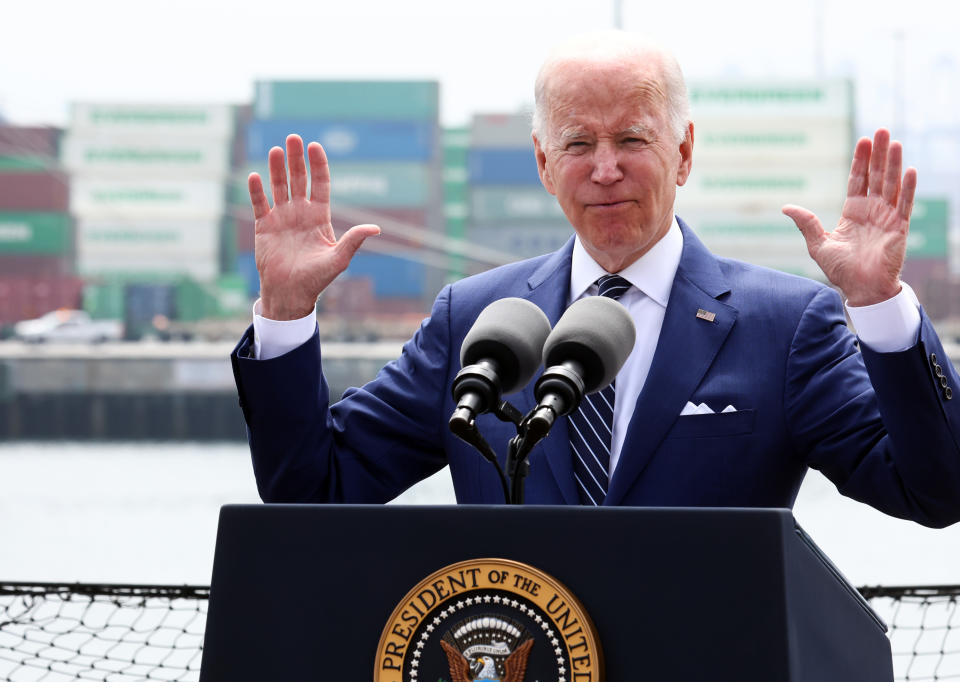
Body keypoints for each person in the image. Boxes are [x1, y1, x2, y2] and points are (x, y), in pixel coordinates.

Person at [231, 32, 960, 527]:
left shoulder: (785, 325)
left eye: (632, 139)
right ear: (545, 165)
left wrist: (880, 307)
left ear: (684, 152)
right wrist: (286, 313)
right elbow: (314, 489)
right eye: (578, 143)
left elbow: (935, 490)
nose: (605, 168)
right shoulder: (475, 319)